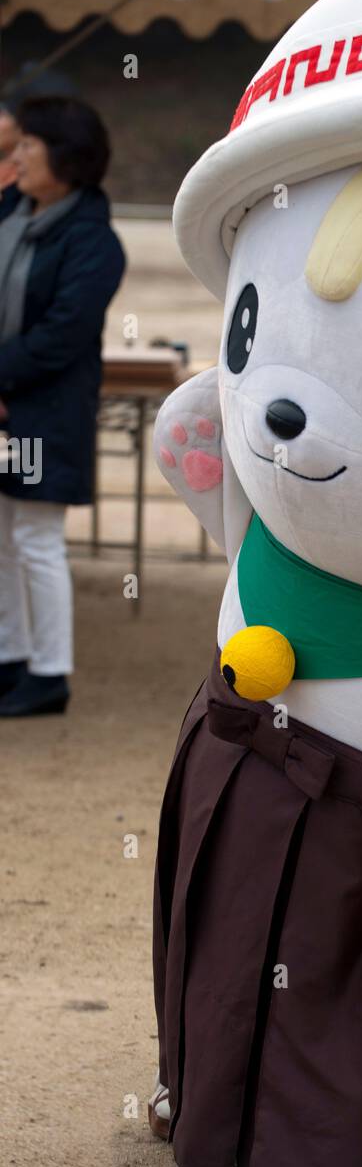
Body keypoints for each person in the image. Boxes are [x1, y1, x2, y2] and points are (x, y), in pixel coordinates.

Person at [0, 97, 125, 716]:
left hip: (41, 415)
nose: (16, 155)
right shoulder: (12, 213)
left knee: (36, 537)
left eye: (28, 144)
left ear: (66, 156)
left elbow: (62, 333)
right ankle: (10, 658)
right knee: (3, 535)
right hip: (6, 407)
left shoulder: (93, 241)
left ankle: (49, 674)